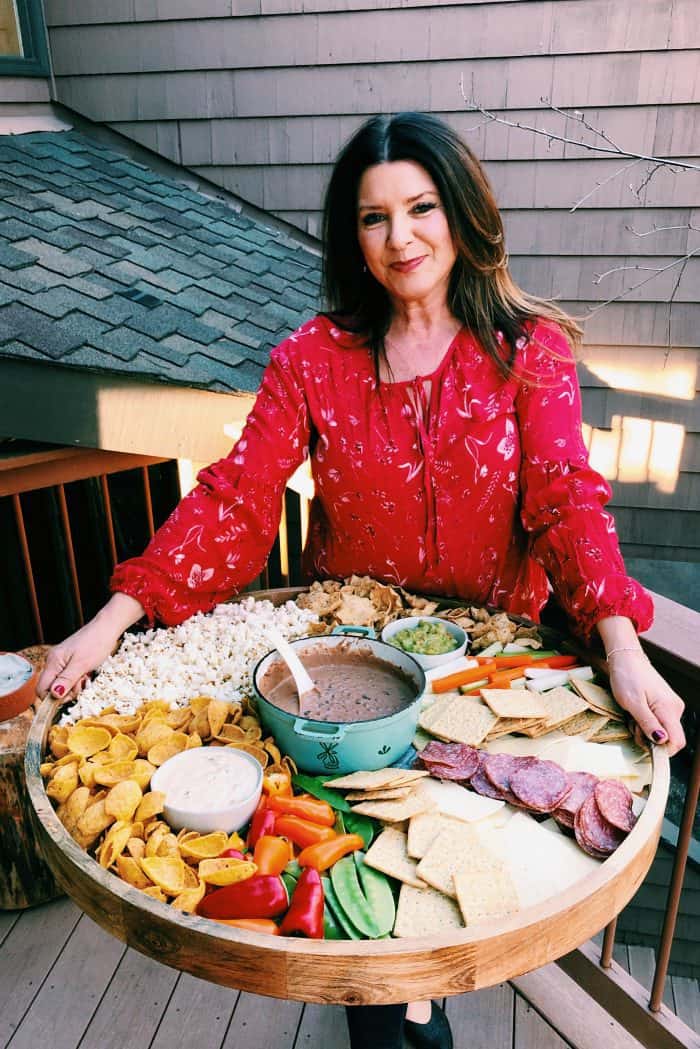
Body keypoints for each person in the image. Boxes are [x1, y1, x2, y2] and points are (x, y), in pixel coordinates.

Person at [38, 112, 685, 1049]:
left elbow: (566, 505)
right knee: (369, 899)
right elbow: (235, 498)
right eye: (374, 218)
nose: (402, 238)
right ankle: (395, 1022)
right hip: (339, 678)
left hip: (483, 676)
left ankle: (415, 1011)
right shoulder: (313, 357)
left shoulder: (529, 354)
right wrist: (110, 623)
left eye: (421, 207)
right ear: (354, 235)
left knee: (452, 875)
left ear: (462, 213)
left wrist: (622, 651)